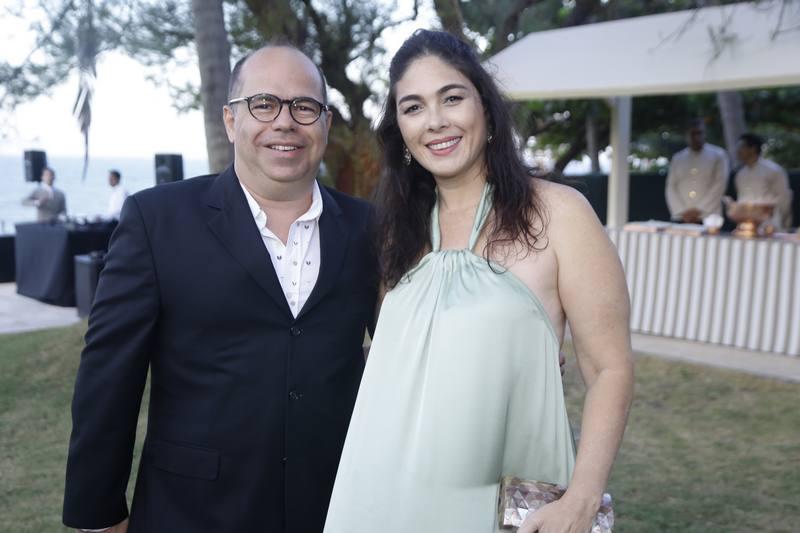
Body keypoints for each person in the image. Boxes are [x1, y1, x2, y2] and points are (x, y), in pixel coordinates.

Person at [324, 30, 634, 533]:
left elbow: (610, 368)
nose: (435, 121)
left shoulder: (560, 214)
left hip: (499, 502)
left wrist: (583, 497)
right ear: (400, 128)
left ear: (485, 107)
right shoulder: (396, 233)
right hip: (382, 494)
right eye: (413, 107)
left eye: (452, 98)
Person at [62, 44, 378, 533]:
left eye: (304, 106)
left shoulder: (369, 228)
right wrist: (98, 513)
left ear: (325, 123)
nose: (285, 121)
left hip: (335, 508)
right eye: (263, 104)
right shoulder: (157, 220)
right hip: (191, 511)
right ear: (231, 121)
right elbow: (109, 375)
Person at [665, 118, 729, 223]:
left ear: (705, 134)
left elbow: (719, 185)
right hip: (682, 216)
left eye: (700, 133)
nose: (696, 137)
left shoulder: (718, 155)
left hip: (709, 216)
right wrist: (682, 211)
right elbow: (671, 187)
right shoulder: (678, 158)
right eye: (692, 134)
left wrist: (699, 210)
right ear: (686, 135)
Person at [734, 132, 793, 230]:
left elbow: (784, 198)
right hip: (747, 225)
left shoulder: (773, 170)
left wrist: (782, 224)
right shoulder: (740, 174)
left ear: (752, 148)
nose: (738, 151)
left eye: (741, 147)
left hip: (770, 225)